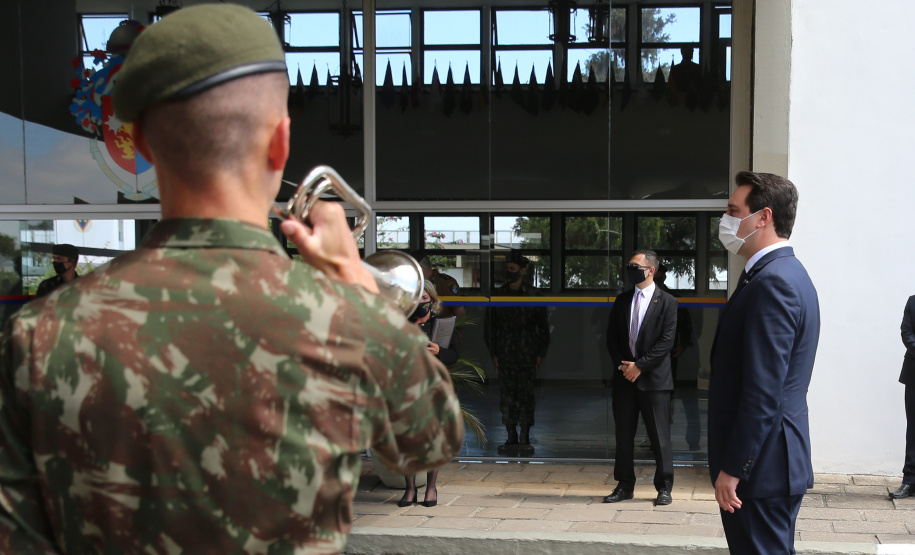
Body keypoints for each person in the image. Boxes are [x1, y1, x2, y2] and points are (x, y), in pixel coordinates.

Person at [0, 5, 463, 554]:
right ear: (280, 143)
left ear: (142, 146)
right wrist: (362, 295)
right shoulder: (340, 320)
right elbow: (430, 441)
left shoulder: (39, 335)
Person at [708, 171, 820, 554]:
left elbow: (762, 391)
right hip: (772, 465)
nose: (726, 220)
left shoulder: (773, 282)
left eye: (732, 210)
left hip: (761, 471)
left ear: (763, 217)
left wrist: (734, 468)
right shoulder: (779, 274)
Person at [603, 250, 678, 506]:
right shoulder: (622, 300)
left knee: (660, 436)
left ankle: (664, 487)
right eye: (629, 266)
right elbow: (611, 337)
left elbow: (666, 342)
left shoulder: (667, 301)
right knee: (624, 435)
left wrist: (640, 366)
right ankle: (624, 486)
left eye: (636, 266)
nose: (631, 269)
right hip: (625, 379)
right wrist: (623, 366)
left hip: (655, 381)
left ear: (651, 270)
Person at [399, 280, 460, 508]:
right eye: (416, 298)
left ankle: (431, 488)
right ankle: (410, 490)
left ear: (432, 300)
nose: (420, 303)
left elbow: (454, 355)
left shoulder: (442, 325)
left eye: (424, 299)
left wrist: (439, 351)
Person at [483, 253, 550, 452]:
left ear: (522, 270)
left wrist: (540, 355)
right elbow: (489, 328)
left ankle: (525, 437)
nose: (508, 272)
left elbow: (544, 329)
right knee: (507, 397)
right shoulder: (497, 295)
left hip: (528, 354)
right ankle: (511, 436)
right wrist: (494, 354)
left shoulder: (534, 295)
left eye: (512, 269)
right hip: (505, 354)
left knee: (527, 396)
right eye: (507, 269)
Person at [655, 263, 699, 450]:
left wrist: (683, 344)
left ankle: (692, 441)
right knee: (658, 399)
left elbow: (686, 327)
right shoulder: (645, 297)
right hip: (656, 357)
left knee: (686, 399)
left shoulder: (674, 299)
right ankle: (657, 439)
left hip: (676, 356)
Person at [892, 295, 915, 499]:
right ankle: (910, 480)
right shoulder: (913, 301)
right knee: (914, 428)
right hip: (914, 373)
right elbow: (906, 332)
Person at [412, 251, 466, 320]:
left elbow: (460, 313)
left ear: (418, 268)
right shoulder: (411, 283)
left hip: (441, 327)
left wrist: (455, 330)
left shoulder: (444, 282)